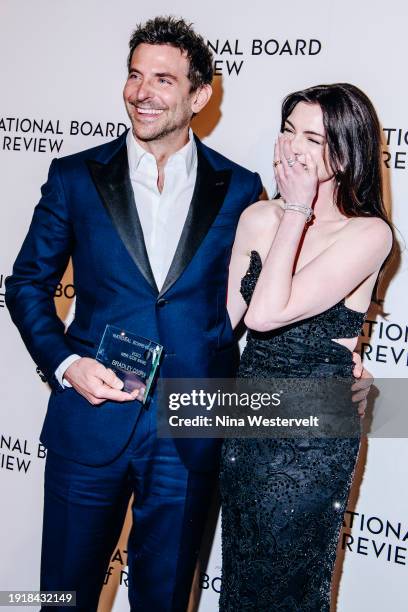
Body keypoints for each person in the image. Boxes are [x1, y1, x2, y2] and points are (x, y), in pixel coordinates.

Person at [5, 16, 264, 611]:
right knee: (61, 597)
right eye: (134, 75)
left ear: (198, 96)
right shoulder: (75, 177)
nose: (142, 91)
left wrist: (336, 357)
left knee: (167, 599)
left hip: (190, 428)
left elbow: (266, 298)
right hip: (90, 418)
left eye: (163, 79)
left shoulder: (240, 189)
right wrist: (67, 362)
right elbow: (26, 285)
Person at [220, 83, 393, 611]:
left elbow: (268, 312)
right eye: (290, 129)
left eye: (313, 138)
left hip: (313, 436)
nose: (294, 146)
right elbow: (222, 326)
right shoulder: (257, 218)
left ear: (344, 152)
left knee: (289, 583)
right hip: (247, 419)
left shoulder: (368, 235)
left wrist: (296, 208)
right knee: (243, 575)